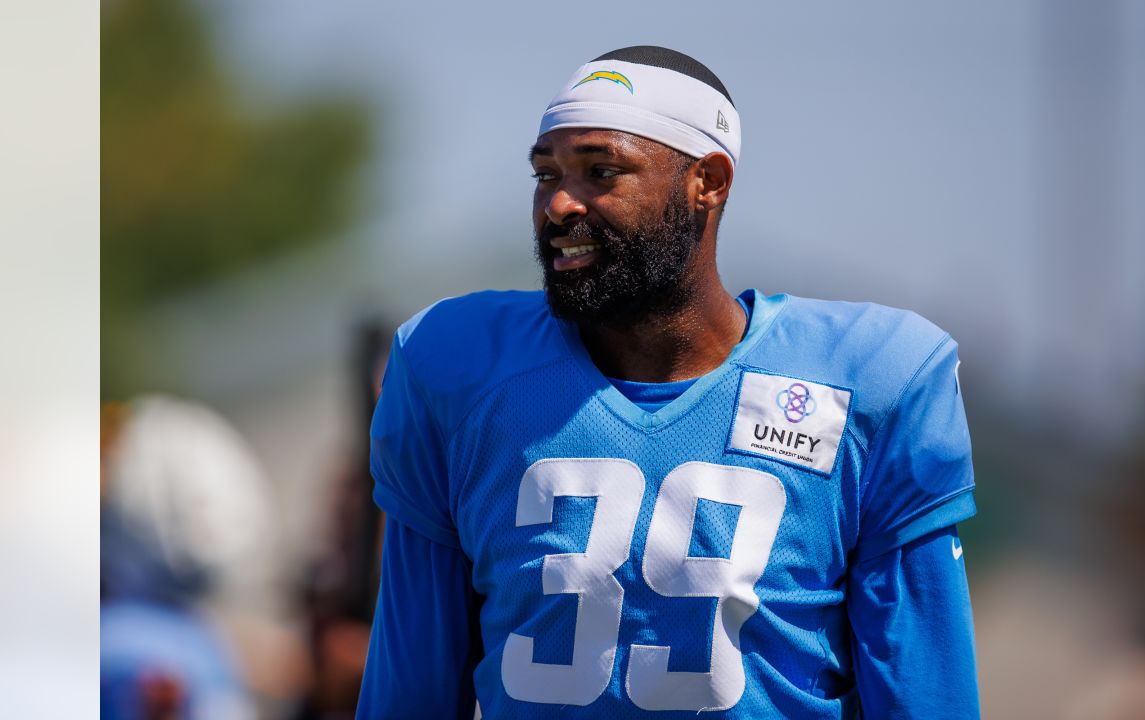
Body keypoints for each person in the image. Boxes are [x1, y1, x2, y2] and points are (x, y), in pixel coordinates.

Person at [358, 46, 980, 719]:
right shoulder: (454, 369)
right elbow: (407, 692)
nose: (559, 204)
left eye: (601, 172)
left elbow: (926, 697)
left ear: (707, 181)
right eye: (545, 174)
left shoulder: (874, 382)